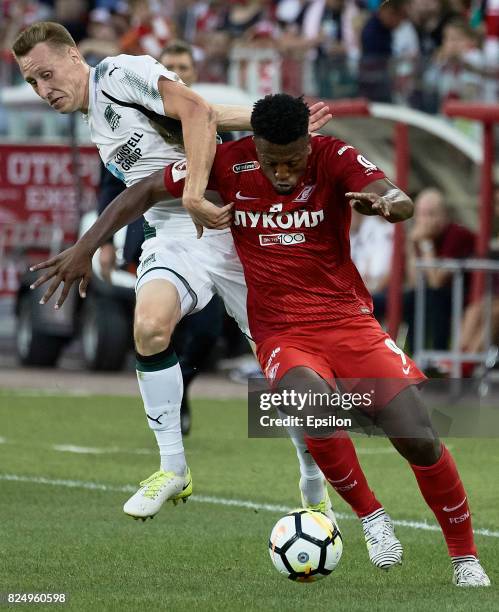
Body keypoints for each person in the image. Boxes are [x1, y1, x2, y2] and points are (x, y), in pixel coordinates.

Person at [31, 94, 491, 586]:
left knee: (418, 436)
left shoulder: (332, 155)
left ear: (307, 143)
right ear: (256, 147)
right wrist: (85, 247)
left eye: (293, 160)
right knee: (310, 405)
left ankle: (465, 558)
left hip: (349, 321)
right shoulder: (228, 163)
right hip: (282, 330)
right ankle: (372, 517)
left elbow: (394, 194)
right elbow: (142, 191)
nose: (285, 173)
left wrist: (388, 205)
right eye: (273, 162)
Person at [15, 22, 338, 527]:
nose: (43, 89)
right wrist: (269, 122)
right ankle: (172, 467)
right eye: (33, 83)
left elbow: (194, 111)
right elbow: (202, 116)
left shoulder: (119, 73)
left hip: (232, 228)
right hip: (173, 233)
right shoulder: (96, 116)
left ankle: (313, 485)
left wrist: (198, 189)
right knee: (149, 325)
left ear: (74, 55)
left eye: (46, 74)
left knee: (286, 370)